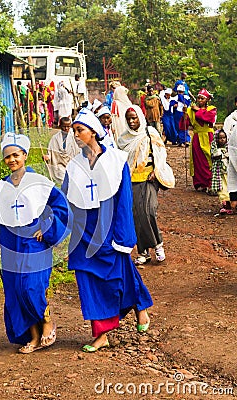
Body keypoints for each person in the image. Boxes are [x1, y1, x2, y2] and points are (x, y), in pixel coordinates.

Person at [61, 108, 153, 353]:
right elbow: (65, 200)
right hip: (83, 232)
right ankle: (101, 333)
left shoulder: (116, 160)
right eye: (74, 131)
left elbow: (124, 201)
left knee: (119, 273)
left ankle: (140, 307)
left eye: (80, 130)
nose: (76, 135)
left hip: (109, 227)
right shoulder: (74, 165)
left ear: (93, 132)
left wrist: (123, 235)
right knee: (87, 279)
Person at [0, 133, 72, 354]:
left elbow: (62, 208)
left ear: (25, 155)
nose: (12, 160)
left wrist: (47, 228)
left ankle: (46, 322)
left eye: (16, 155)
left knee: (31, 286)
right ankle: (33, 337)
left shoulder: (40, 182)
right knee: (16, 290)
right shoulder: (1, 187)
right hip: (10, 244)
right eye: (7, 157)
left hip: (34, 244)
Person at [117, 105, 175, 266]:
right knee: (136, 215)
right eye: (128, 118)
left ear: (140, 118)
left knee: (148, 211)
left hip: (149, 178)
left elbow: (160, 152)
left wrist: (156, 170)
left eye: (134, 117)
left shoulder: (150, 133)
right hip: (131, 180)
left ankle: (158, 244)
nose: (131, 121)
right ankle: (143, 251)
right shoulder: (123, 139)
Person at [182, 88, 217, 193]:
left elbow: (209, 118)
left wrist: (197, 110)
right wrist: (184, 114)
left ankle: (210, 183)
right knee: (198, 161)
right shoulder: (190, 110)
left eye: (202, 98)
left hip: (208, 136)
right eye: (198, 98)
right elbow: (184, 125)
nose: (200, 100)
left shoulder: (212, 109)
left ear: (207, 100)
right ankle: (201, 183)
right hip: (197, 137)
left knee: (209, 159)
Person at [43, 116, 81, 185]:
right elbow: (50, 151)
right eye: (64, 126)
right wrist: (47, 157)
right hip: (59, 164)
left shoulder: (74, 137)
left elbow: (78, 151)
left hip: (72, 163)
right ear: (60, 126)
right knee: (62, 177)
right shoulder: (55, 138)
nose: (66, 129)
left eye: (68, 127)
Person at [210, 129, 232, 214]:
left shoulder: (229, 148)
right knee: (222, 190)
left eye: (224, 138)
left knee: (231, 188)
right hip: (220, 174)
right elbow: (214, 156)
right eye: (220, 138)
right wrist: (221, 154)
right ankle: (226, 206)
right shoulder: (215, 149)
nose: (222, 139)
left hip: (229, 173)